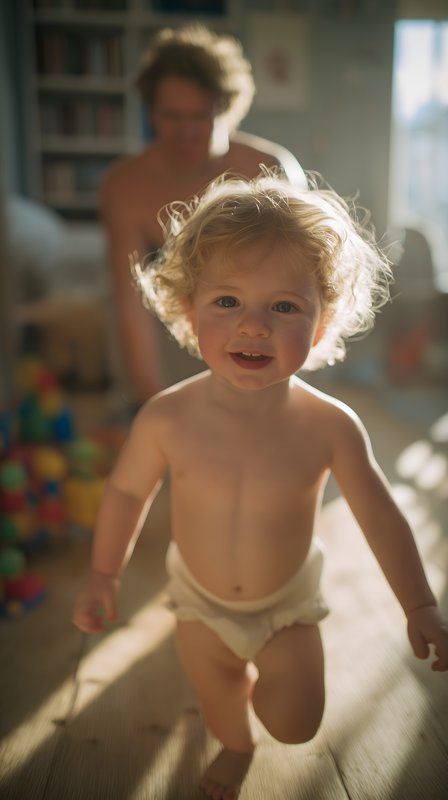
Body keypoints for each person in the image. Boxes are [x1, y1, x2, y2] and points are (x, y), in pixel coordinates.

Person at [73, 170, 448, 800]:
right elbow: (126, 493)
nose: (254, 326)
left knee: (298, 725)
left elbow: (380, 515)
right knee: (221, 699)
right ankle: (237, 746)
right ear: (189, 311)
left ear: (323, 323)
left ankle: (263, 714)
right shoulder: (167, 416)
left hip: (286, 608)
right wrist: (105, 573)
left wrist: (419, 604)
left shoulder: (331, 426)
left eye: (283, 306)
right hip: (198, 601)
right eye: (227, 302)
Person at [101, 24, 307, 404]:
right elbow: (130, 304)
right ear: (150, 112)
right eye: (171, 116)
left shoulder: (270, 167)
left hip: (261, 326)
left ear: (228, 110)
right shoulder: (124, 184)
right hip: (174, 328)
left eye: (200, 116)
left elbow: (300, 290)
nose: (186, 132)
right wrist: (155, 404)